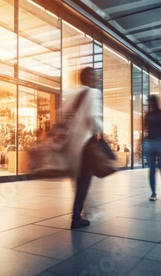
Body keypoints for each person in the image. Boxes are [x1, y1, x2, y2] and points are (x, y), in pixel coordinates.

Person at [65, 67, 103, 229]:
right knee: (84, 180)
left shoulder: (71, 94)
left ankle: (80, 212)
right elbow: (92, 118)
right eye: (95, 76)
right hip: (85, 145)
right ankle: (76, 217)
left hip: (71, 145)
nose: (97, 79)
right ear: (88, 78)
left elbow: (64, 114)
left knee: (78, 180)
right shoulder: (93, 93)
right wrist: (102, 131)